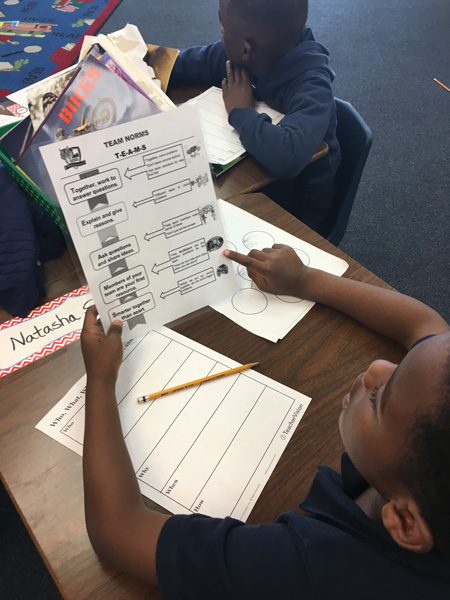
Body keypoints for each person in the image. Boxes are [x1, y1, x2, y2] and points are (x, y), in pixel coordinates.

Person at [81, 243, 450, 598]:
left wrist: (99, 380)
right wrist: (307, 280)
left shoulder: (311, 569)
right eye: (401, 364)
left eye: (378, 398)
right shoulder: (424, 483)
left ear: (403, 522)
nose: (375, 370)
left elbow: (117, 530)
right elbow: (426, 326)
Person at [169, 0, 341, 236]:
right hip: (250, 179)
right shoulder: (239, 55)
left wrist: (240, 111)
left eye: (222, 24)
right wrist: (136, 61)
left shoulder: (312, 85)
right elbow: (179, 65)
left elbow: (288, 156)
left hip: (296, 214)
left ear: (247, 49)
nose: (220, 31)